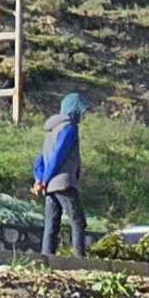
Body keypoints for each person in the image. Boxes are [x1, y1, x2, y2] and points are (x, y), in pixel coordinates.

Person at [34, 92, 88, 258]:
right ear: (75, 110)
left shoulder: (50, 131)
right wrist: (44, 179)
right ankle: (79, 259)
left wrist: (40, 179)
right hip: (63, 182)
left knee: (52, 222)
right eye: (82, 111)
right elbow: (58, 155)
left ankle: (46, 257)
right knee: (78, 219)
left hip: (50, 186)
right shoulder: (70, 127)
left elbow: (40, 160)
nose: (83, 115)